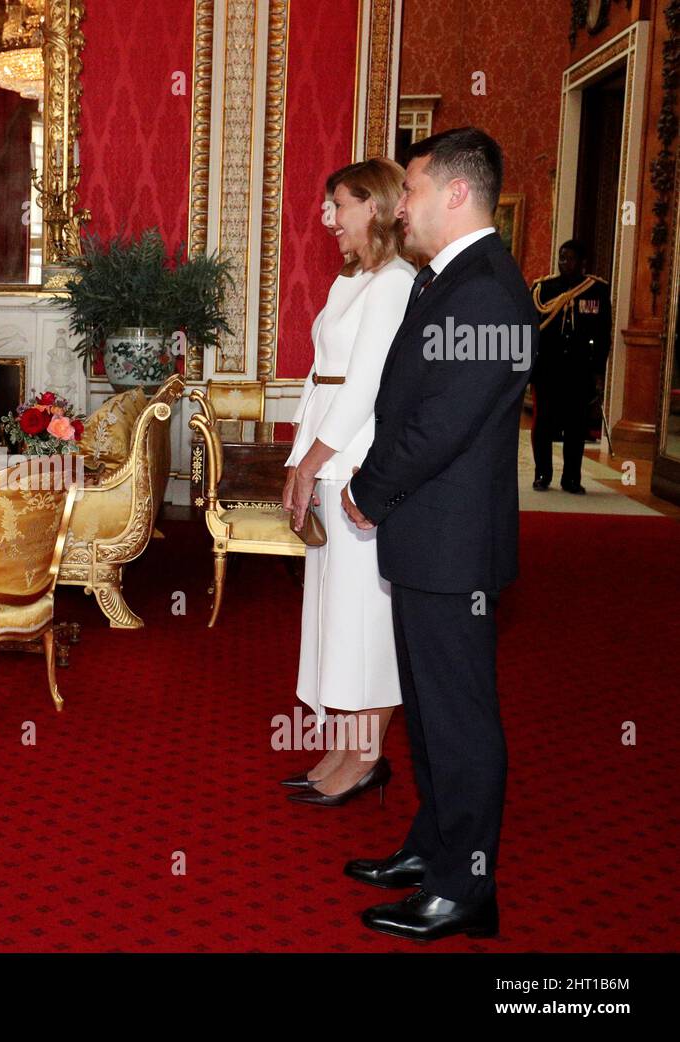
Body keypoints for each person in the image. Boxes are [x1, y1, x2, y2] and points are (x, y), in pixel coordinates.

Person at [342, 127, 537, 941]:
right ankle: (432, 845)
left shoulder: (488, 288)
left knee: (458, 717)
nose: (403, 208)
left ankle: (466, 887)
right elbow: (410, 402)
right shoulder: (445, 280)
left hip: (453, 542)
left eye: (413, 191)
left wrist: (369, 490)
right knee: (425, 710)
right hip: (428, 537)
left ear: (457, 194)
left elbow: (442, 424)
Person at [281, 158, 413, 806]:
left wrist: (313, 462)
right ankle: (343, 747)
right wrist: (297, 460)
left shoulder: (396, 283)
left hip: (360, 458)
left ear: (377, 206)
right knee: (336, 608)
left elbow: (364, 388)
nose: (328, 218)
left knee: (367, 614)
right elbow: (319, 375)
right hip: (327, 451)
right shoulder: (352, 279)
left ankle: (367, 757)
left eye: (340, 205)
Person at [530, 239, 613, 493]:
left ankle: (572, 478)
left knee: (576, 427)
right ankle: (542, 474)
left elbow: (602, 335)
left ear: (582, 263)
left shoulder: (595, 291)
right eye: (561, 258)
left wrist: (598, 370)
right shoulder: (543, 289)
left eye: (570, 259)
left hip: (579, 370)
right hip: (548, 368)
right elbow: (531, 330)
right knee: (543, 424)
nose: (564, 263)